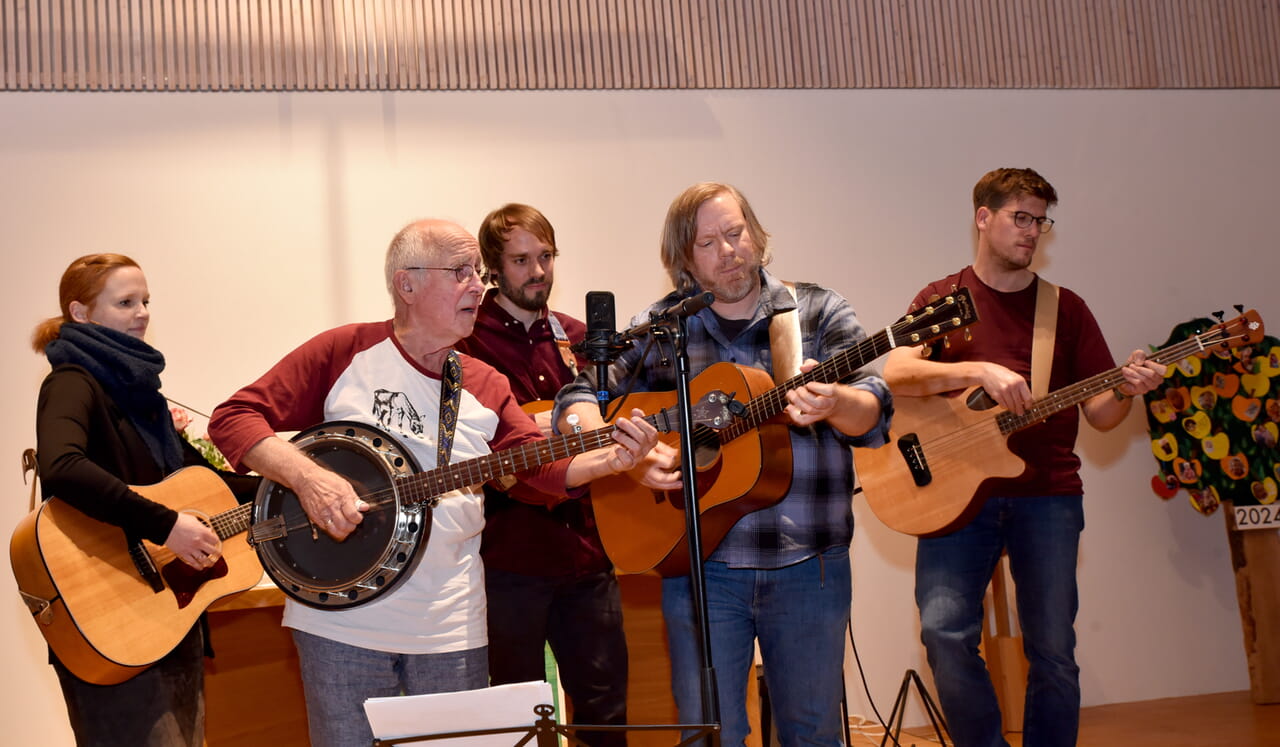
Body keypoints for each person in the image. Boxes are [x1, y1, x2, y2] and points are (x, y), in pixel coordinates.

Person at [207, 219, 658, 747]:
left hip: (451, 627)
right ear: (408, 284)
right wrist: (308, 478)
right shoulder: (345, 353)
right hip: (342, 625)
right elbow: (234, 418)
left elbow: (536, 468)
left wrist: (608, 462)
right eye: (461, 272)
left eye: (479, 273)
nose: (479, 287)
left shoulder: (486, 382)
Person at [555, 182, 892, 747]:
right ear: (684, 262)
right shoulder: (662, 328)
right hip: (699, 566)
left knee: (812, 734)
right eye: (708, 243)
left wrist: (837, 402)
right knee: (708, 736)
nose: (728, 250)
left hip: (809, 561)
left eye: (735, 234)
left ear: (757, 234)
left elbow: (875, 410)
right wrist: (625, 455)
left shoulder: (816, 311)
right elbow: (578, 397)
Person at [881, 167, 1166, 747]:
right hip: (953, 495)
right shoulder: (942, 300)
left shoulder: (1065, 309)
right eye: (1021, 218)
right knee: (943, 633)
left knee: (1054, 649)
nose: (1032, 232)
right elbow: (897, 372)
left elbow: (1102, 414)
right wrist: (977, 370)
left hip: (1047, 495)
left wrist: (1130, 392)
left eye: (1040, 221)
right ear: (983, 218)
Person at [31, 253, 260, 747]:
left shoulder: (142, 396)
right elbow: (62, 466)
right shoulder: (71, 382)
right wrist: (167, 526)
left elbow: (200, 480)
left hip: (167, 616)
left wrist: (293, 481)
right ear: (80, 313)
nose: (142, 313)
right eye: (126, 302)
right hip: (108, 615)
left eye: (146, 301)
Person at [454, 203, 628, 746]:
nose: (538, 272)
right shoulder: (465, 344)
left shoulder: (579, 340)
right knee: (517, 720)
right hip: (507, 561)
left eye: (546, 257)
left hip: (587, 556)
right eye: (522, 259)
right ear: (491, 268)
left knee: (604, 710)